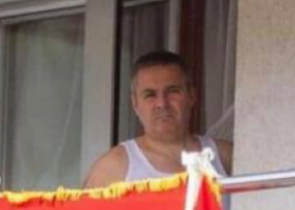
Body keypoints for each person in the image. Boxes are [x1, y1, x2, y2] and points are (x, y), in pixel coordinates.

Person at [84, 50, 233, 188]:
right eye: (150, 95)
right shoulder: (114, 167)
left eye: (173, 92)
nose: (162, 103)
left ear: (191, 96)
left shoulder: (225, 157)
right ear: (135, 103)